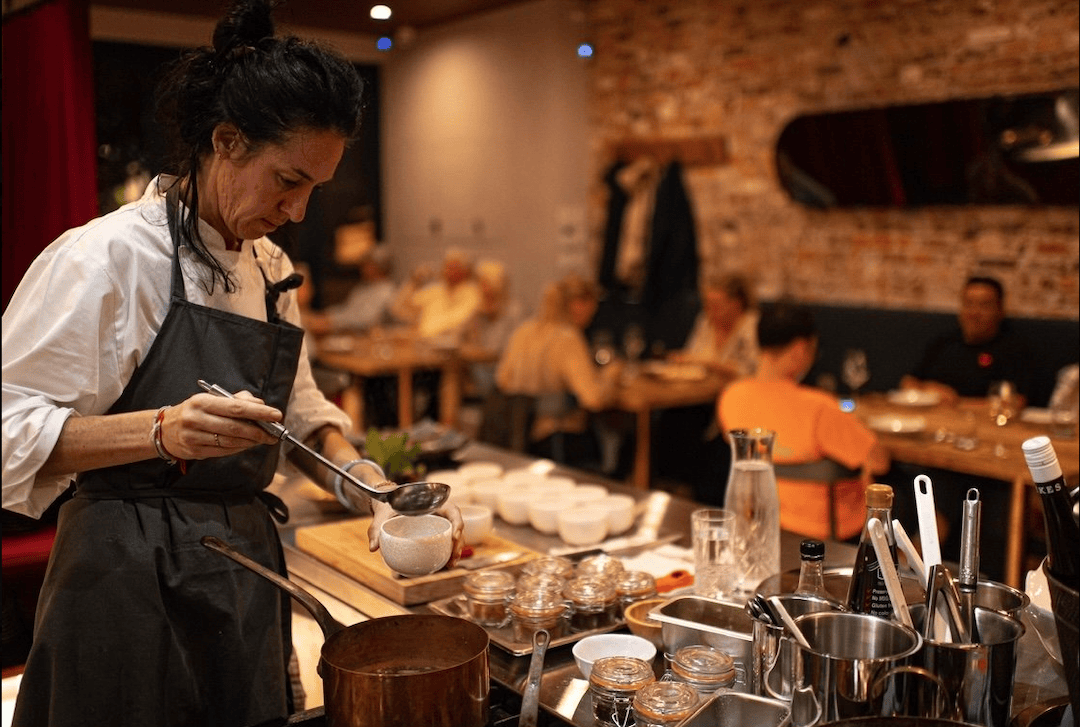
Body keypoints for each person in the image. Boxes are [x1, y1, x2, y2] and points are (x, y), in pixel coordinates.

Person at [1, 3, 462, 725]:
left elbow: (302, 418)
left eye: (315, 187)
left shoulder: (271, 268)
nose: (300, 210)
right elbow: (7, 432)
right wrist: (160, 431)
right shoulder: (106, 259)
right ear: (226, 141)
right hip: (123, 580)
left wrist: (371, 486)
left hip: (243, 575)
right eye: (288, 180)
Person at [718, 303, 891, 540]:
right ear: (800, 349)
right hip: (829, 529)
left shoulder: (731, 397)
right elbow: (879, 461)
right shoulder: (818, 407)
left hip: (759, 522)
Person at [493, 275, 623, 463]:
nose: (593, 313)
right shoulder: (567, 338)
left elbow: (502, 380)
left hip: (514, 435)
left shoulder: (523, 330)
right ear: (578, 304)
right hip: (554, 439)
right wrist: (612, 373)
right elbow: (593, 399)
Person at [901, 275, 1033, 406]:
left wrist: (956, 403)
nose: (974, 313)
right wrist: (929, 388)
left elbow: (1016, 402)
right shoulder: (944, 342)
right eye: (968, 304)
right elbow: (908, 382)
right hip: (934, 420)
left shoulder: (1013, 349)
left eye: (984, 305)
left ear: (1000, 311)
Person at [669, 273, 760, 377]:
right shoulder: (705, 321)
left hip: (740, 389)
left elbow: (752, 371)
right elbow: (691, 355)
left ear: (737, 304)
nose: (710, 313)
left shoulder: (753, 326)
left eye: (717, 307)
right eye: (707, 306)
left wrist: (709, 364)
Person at [391, 247, 482, 343]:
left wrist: (422, 333)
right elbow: (399, 308)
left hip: (454, 350)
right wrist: (414, 281)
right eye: (447, 266)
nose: (449, 271)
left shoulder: (472, 293)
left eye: (455, 267)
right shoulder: (436, 290)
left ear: (465, 271)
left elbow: (456, 324)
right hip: (425, 345)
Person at [302, 244, 397, 335]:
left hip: (364, 340)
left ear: (377, 267)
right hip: (346, 333)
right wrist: (326, 315)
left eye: (367, 264)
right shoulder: (363, 287)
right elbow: (348, 309)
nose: (362, 268)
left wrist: (331, 320)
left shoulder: (386, 292)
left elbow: (365, 320)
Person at [462, 259, 524, 397]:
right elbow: (463, 337)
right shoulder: (477, 311)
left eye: (486, 284)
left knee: (482, 374)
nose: (484, 289)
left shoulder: (514, 311)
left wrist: (475, 353)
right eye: (481, 284)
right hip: (479, 367)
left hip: (503, 369)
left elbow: (503, 350)